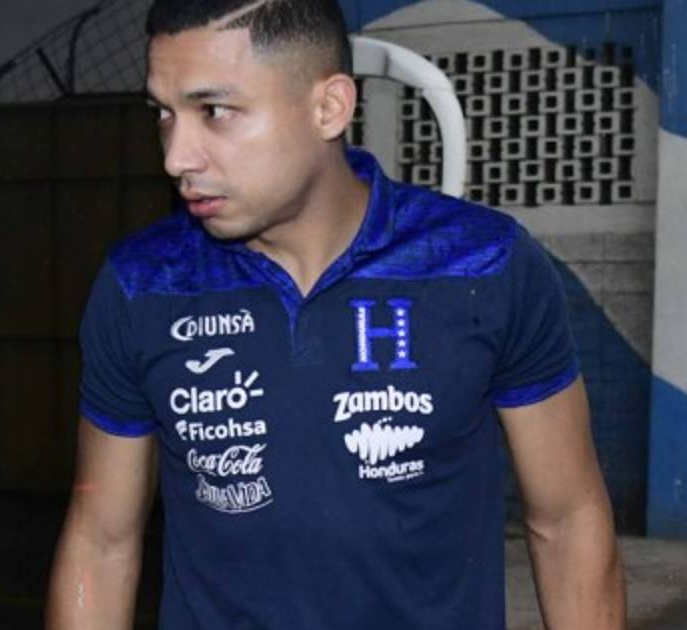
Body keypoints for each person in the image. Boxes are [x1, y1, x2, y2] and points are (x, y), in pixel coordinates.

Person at [46, 0, 625, 627]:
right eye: (164, 114)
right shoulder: (142, 284)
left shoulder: (485, 266)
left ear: (329, 107)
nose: (176, 157)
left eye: (214, 111)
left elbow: (567, 519)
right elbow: (101, 541)